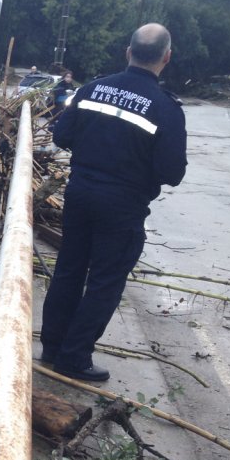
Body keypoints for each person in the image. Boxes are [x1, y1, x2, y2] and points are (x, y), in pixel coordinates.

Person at [39, 23, 188, 382]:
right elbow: (172, 172)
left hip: (80, 194)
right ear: (166, 58)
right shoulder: (166, 109)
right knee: (105, 281)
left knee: (69, 269)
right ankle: (74, 358)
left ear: (128, 52)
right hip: (122, 205)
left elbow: (61, 134)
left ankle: (53, 346)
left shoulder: (93, 88)